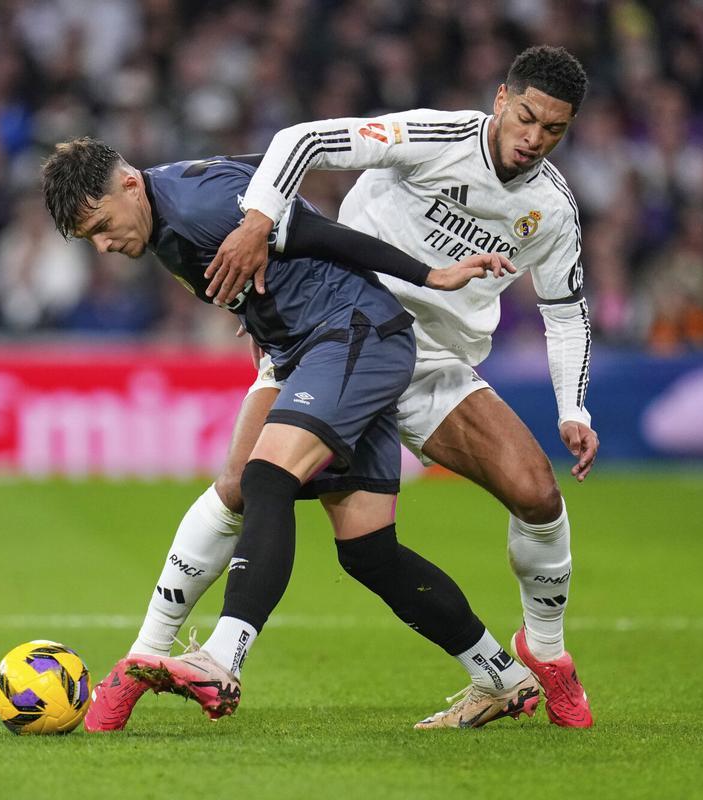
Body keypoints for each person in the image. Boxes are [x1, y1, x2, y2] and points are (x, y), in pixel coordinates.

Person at [90, 45, 599, 732]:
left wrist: (573, 406)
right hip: (331, 322)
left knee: (533, 492)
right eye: (528, 118)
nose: (534, 140)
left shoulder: (553, 208)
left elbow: (565, 311)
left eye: (554, 131)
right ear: (502, 99)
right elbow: (302, 140)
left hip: (428, 360)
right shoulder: (431, 137)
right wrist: (259, 225)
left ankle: (543, 653)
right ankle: (145, 658)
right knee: (246, 484)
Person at [41, 139, 537, 727]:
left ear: (127, 185)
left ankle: (220, 659)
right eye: (88, 239)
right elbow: (266, 167)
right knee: (368, 552)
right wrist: (261, 314)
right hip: (312, 346)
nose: (103, 245)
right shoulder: (171, 201)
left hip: (353, 335)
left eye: (100, 226)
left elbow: (318, 233)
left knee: (263, 478)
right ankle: (503, 676)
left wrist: (430, 273)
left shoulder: (200, 208)